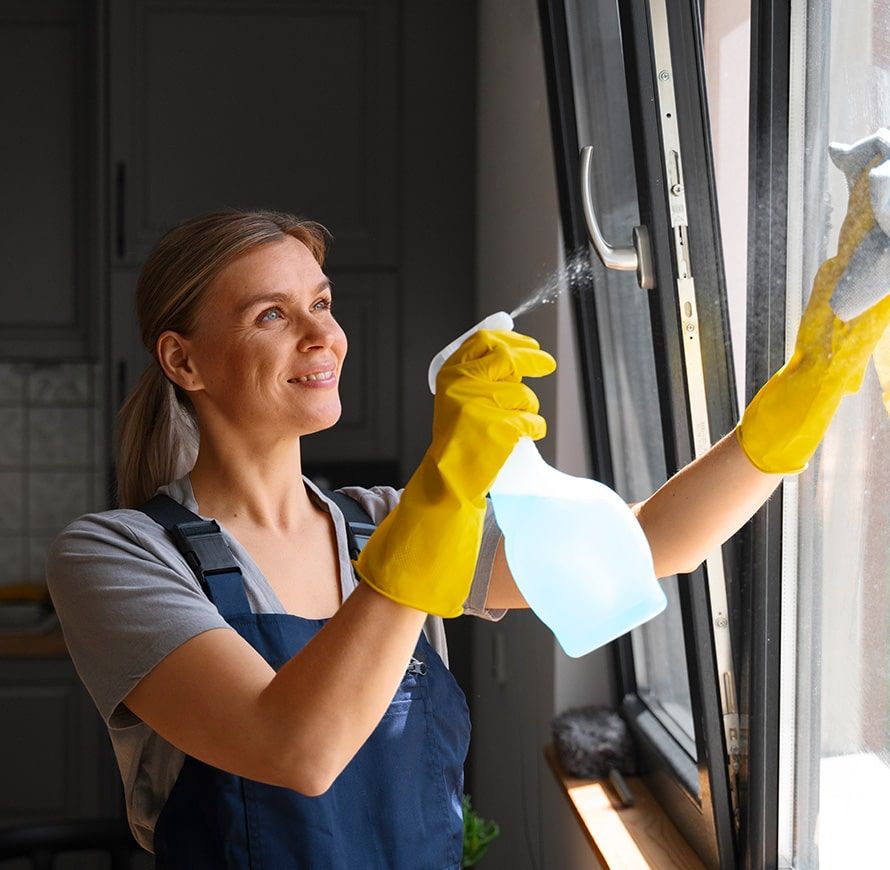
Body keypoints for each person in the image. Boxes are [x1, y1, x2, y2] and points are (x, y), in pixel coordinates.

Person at [48, 155, 889, 867]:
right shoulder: (119, 557)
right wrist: (445, 487)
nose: (322, 335)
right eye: (273, 314)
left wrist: (804, 391)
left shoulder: (382, 524)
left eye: (323, 302)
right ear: (182, 360)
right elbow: (293, 750)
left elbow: (649, 545)